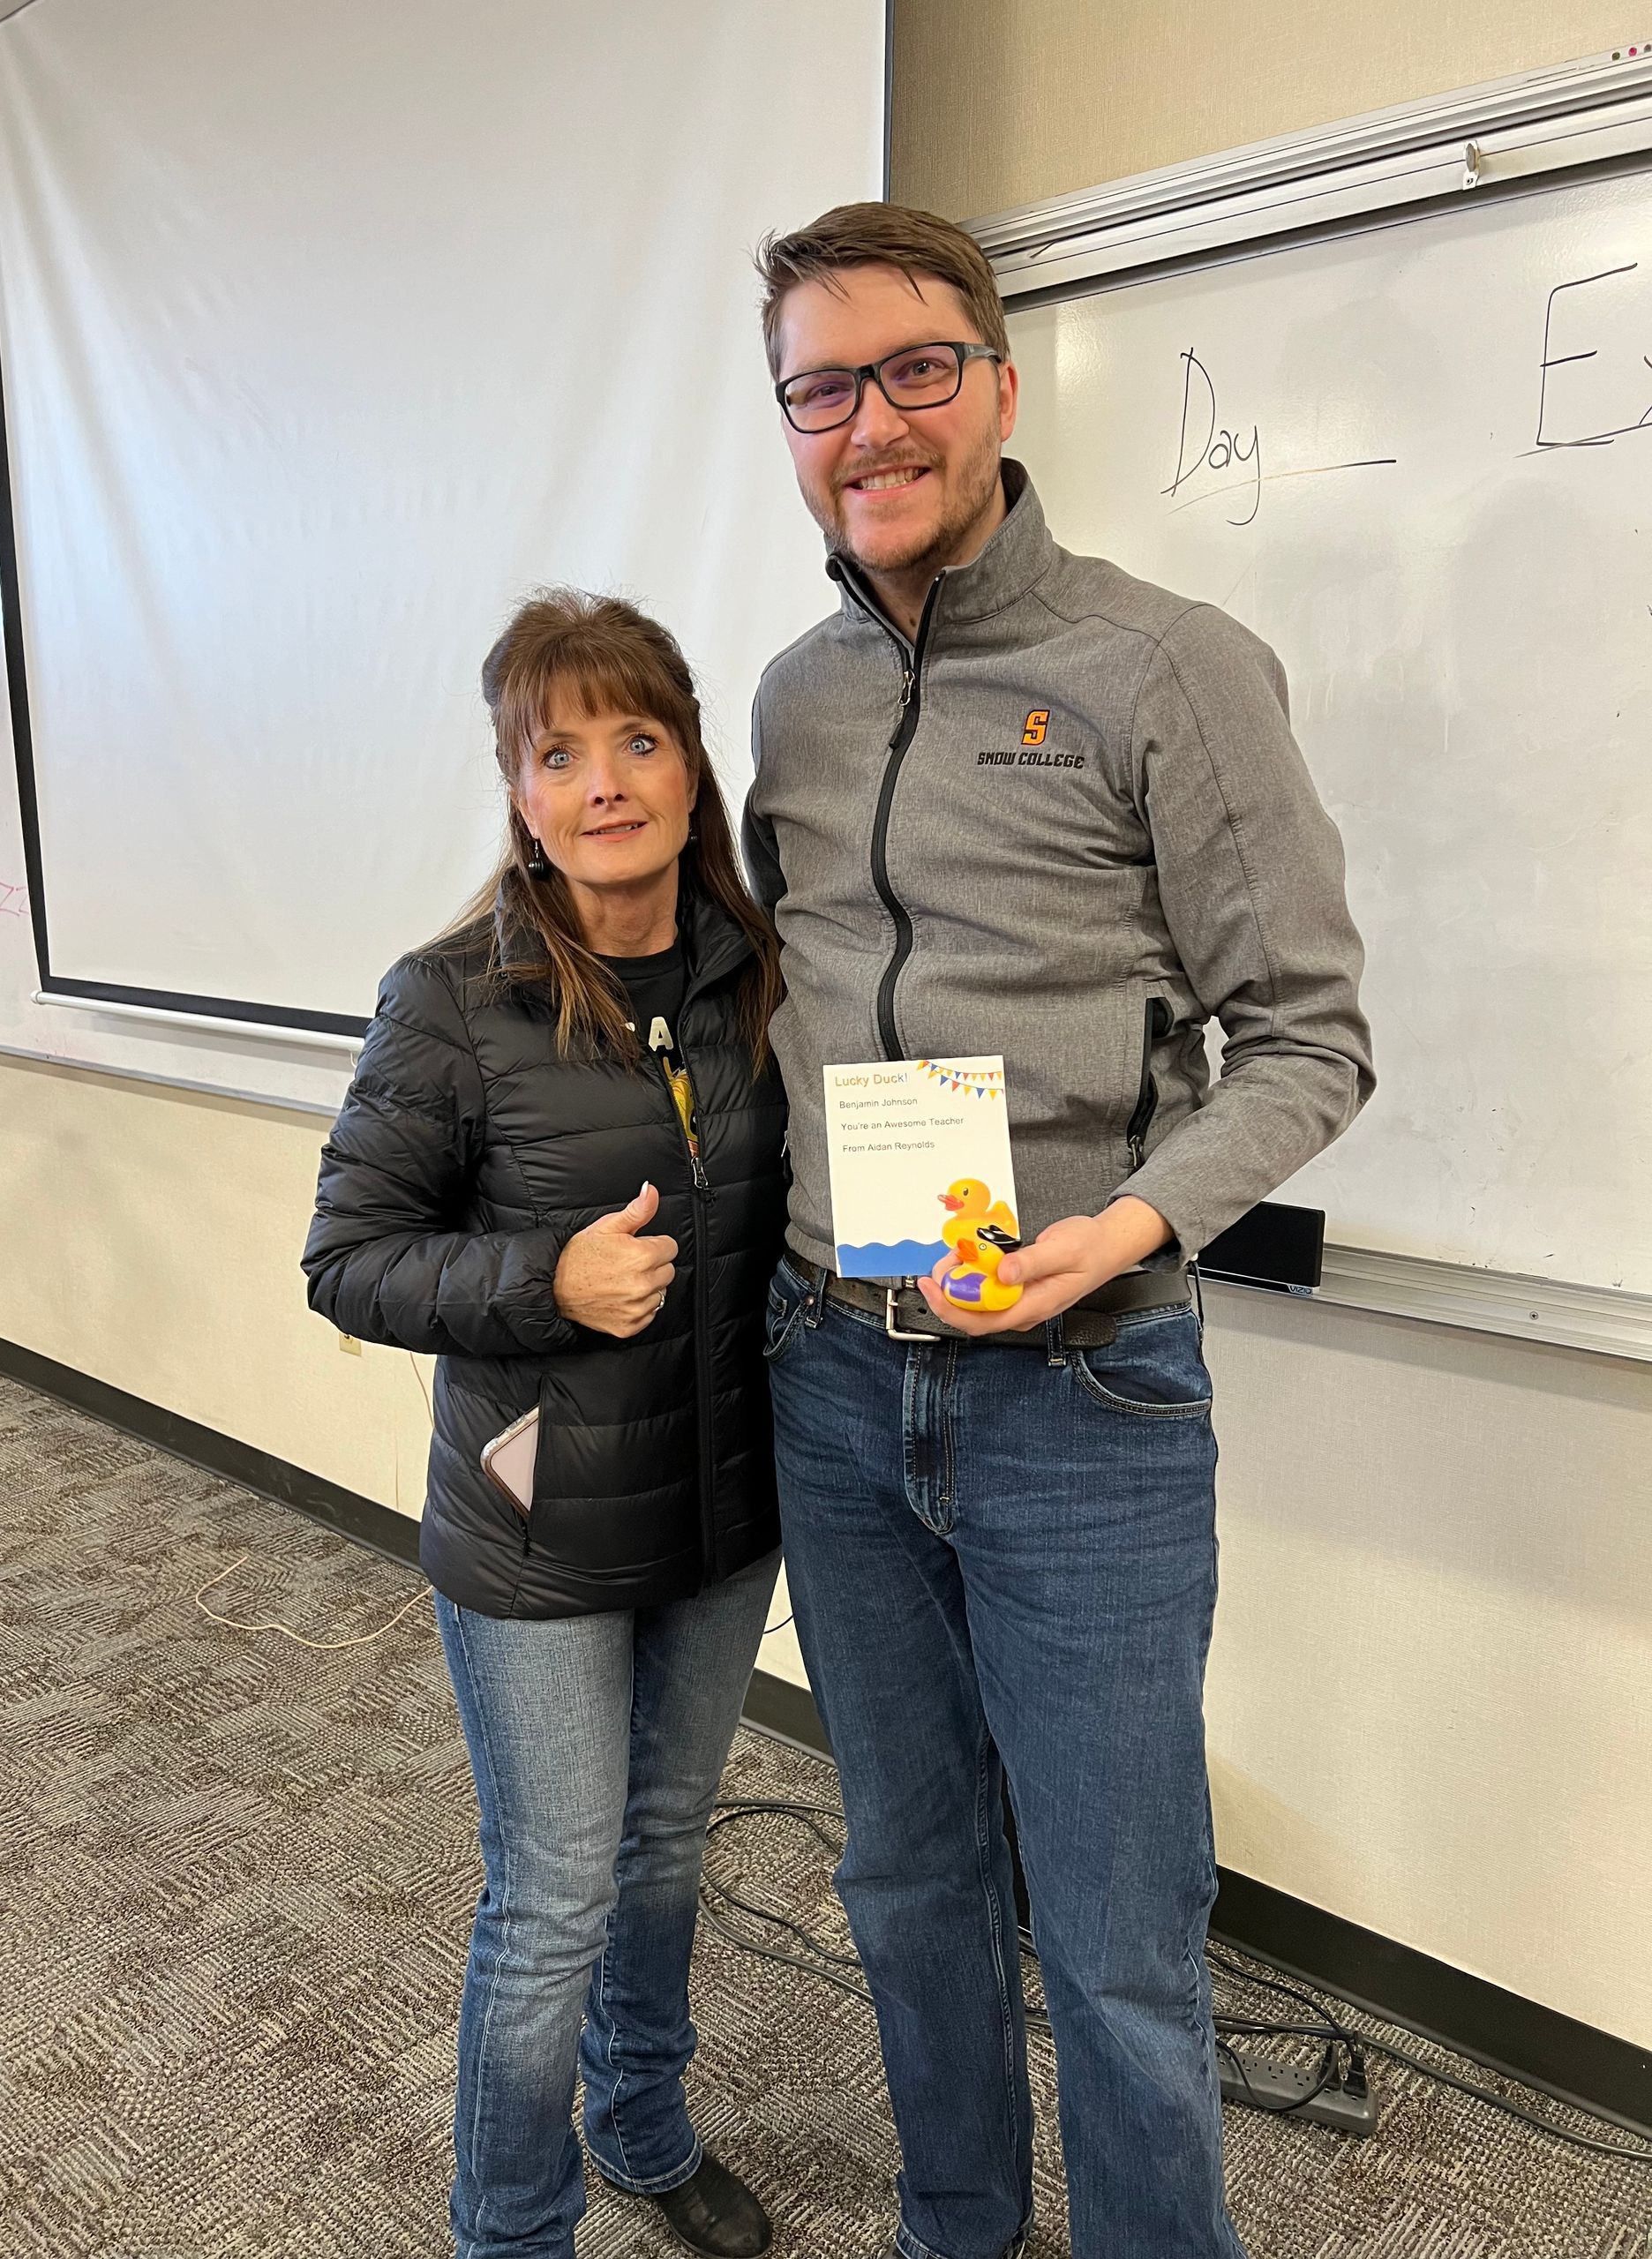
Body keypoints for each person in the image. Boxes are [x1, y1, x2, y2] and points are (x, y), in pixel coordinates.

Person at [743, 205, 1375, 2259]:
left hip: (1079, 1394)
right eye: (822, 387)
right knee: (907, 1880)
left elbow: (1304, 1039)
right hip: (836, 1373)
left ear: (1000, 386)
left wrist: (1121, 1226)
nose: (872, 422)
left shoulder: (1164, 663)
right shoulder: (793, 697)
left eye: (914, 367)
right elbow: (784, 990)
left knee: (1114, 1935)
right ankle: (954, 2227)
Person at [304, 591, 786, 2259]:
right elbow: (348, 1261)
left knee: (665, 1854)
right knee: (557, 1889)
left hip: (722, 1515)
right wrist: (543, 1284)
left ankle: (643, 2126)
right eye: (558, 751)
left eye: (637, 740)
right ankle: (514, 2227)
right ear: (517, 790)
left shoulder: (753, 973)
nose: (603, 782)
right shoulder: (453, 998)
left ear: (688, 762)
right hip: (536, 1527)